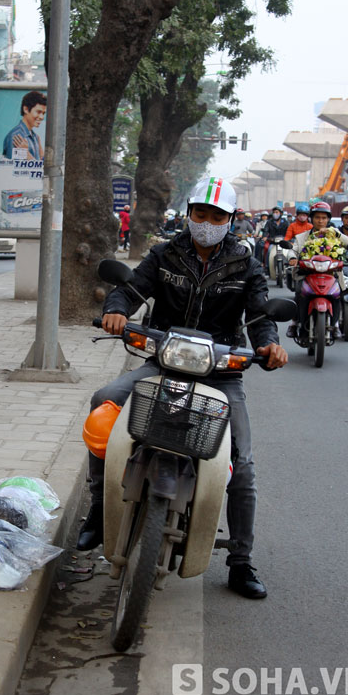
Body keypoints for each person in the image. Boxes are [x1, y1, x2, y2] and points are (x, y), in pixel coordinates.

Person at [77, 176, 288, 600]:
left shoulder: (246, 264)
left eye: (217, 217)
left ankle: (241, 560)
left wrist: (269, 344)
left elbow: (261, 315)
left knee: (242, 465)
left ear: (230, 220)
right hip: (163, 360)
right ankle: (99, 510)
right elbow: (130, 289)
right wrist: (116, 311)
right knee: (104, 401)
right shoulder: (165, 254)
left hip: (221, 373)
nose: (207, 223)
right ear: (189, 214)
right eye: (201, 214)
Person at [286, 201, 348, 339]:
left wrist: (335, 234)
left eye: (324, 218)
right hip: (307, 273)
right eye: (317, 217)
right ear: (312, 219)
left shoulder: (335, 234)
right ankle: (295, 322)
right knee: (299, 293)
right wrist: (292, 258)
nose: (320, 221)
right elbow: (293, 250)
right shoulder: (302, 237)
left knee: (337, 294)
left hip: (330, 274)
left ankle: (335, 326)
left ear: (328, 219)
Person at [2, 91, 47, 161]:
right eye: (38, 112)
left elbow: (41, 168)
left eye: (43, 113)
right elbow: (14, 169)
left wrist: (39, 155)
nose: (42, 117)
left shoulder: (35, 137)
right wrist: (26, 155)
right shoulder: (17, 136)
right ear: (26, 109)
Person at [261, 207, 289, 272]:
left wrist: (289, 237)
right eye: (274, 212)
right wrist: (264, 237)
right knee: (268, 250)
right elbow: (266, 230)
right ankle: (267, 268)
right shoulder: (269, 222)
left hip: (284, 242)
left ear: (281, 213)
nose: (275, 214)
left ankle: (290, 268)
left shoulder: (285, 222)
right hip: (273, 242)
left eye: (277, 212)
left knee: (290, 251)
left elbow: (289, 231)